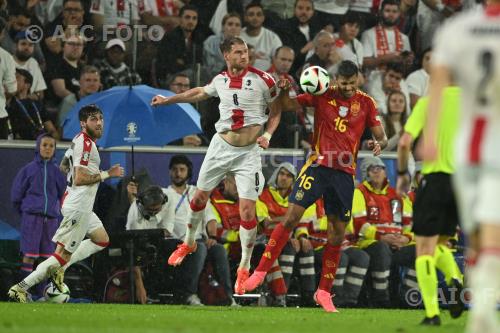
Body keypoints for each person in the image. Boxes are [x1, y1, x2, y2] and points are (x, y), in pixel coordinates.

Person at [243, 60, 388, 312]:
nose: (347, 87)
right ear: (335, 79)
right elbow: (285, 105)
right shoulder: (321, 93)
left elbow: (382, 136)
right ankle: (259, 272)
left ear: (359, 80)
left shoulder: (366, 102)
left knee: (337, 234)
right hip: (318, 167)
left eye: (352, 83)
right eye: (343, 83)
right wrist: (286, 90)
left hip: (344, 174)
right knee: (290, 218)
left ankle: (323, 292)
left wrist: (380, 144)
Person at [151, 36, 288, 295]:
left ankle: (244, 268)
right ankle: (189, 243)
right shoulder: (220, 80)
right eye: (238, 52)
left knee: (248, 211)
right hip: (220, 147)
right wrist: (168, 100)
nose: (244, 56)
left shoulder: (264, 79)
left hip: (249, 153)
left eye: (245, 52)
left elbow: (278, 109)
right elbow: (199, 92)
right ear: (226, 55)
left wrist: (268, 135)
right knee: (199, 197)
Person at [422, 4, 500, 331]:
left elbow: (437, 85)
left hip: (466, 148)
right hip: (493, 145)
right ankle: (483, 311)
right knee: (487, 233)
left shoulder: (457, 29)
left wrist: (429, 136)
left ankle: (482, 315)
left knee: (476, 235)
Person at [8, 104, 124, 303]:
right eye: (93, 119)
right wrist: (107, 174)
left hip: (80, 205)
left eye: (100, 118)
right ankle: (20, 288)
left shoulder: (78, 141)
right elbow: (79, 178)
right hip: (78, 207)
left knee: (101, 240)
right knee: (61, 255)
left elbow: (63, 166)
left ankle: (59, 270)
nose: (98, 122)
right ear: (83, 123)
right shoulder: (86, 144)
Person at [397, 86, 464, 325]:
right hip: (462, 184)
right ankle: (455, 277)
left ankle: (432, 313)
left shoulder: (428, 103)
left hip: (435, 180)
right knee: (441, 244)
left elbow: (404, 142)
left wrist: (403, 173)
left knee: (424, 249)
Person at [351, 156, 415, 307]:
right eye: (373, 169)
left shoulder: (398, 195)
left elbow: (410, 223)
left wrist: (405, 238)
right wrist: (382, 237)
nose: (377, 172)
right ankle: (381, 300)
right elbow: (359, 224)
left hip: (398, 244)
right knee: (381, 249)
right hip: (370, 244)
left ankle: (407, 298)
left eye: (380, 169)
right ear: (365, 173)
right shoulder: (359, 193)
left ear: (386, 173)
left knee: (423, 251)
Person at [10, 133, 66, 296]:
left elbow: (63, 196)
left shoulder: (57, 172)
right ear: (38, 147)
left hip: (51, 221)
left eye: (51, 146)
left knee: (48, 260)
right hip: (32, 219)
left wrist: (56, 214)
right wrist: (28, 211)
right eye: (44, 145)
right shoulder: (28, 170)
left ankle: (43, 294)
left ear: (55, 149)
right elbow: (16, 196)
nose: (48, 148)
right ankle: (23, 292)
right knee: (29, 256)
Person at [256, 163, 315, 306]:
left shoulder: (297, 198)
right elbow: (266, 224)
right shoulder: (263, 195)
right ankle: (280, 296)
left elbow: (301, 223)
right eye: (281, 174)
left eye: (289, 176)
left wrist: (302, 236)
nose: (284, 178)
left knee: (306, 248)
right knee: (287, 247)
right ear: (276, 175)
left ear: (293, 180)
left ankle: (309, 297)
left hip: (286, 239)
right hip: (264, 240)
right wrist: (290, 222)